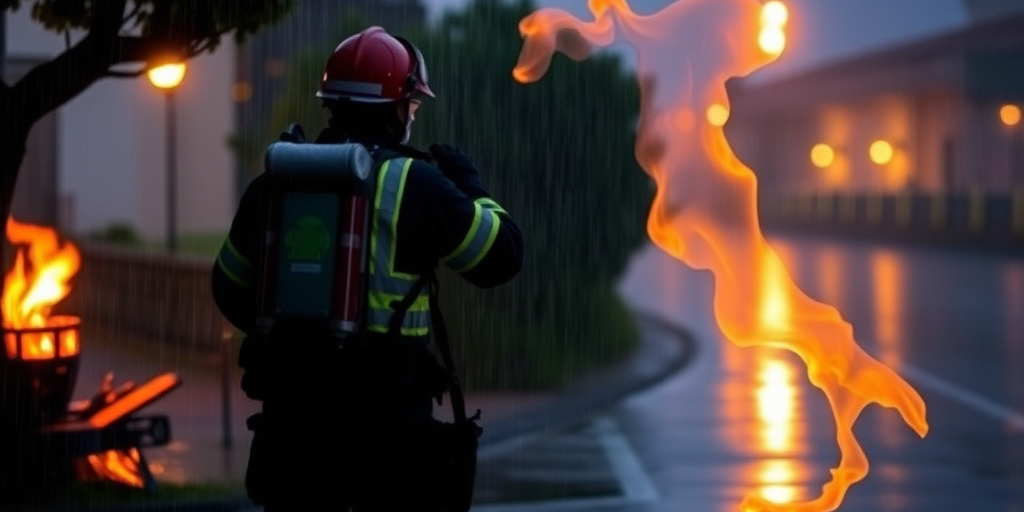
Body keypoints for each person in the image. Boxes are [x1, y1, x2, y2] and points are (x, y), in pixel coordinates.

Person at [211, 25, 524, 510]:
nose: (411, 116)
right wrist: (471, 186)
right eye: (411, 106)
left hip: (295, 438)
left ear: (332, 104)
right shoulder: (415, 183)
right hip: (390, 440)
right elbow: (501, 258)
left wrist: (299, 344)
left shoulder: (278, 179)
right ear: (397, 109)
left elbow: (228, 288)